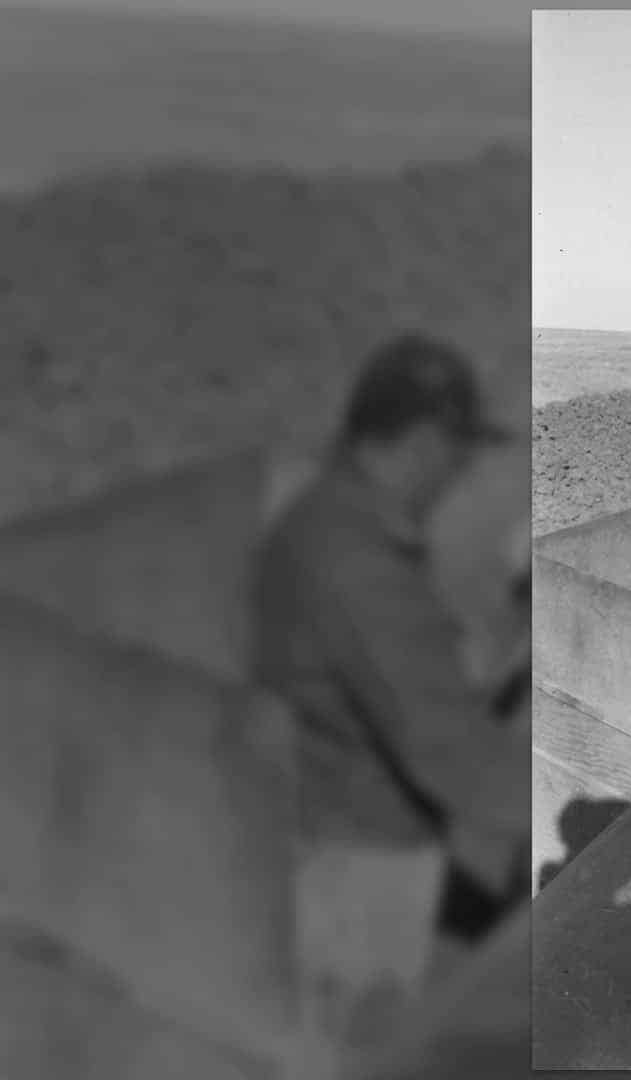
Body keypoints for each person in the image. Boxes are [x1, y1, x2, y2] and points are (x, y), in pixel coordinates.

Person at [252, 332, 532, 1075]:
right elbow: (447, 748)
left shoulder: (328, 525)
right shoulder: (354, 560)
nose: (456, 477)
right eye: (457, 456)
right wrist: (566, 828)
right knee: (359, 1051)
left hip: (332, 837)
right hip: (359, 863)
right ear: (423, 442)